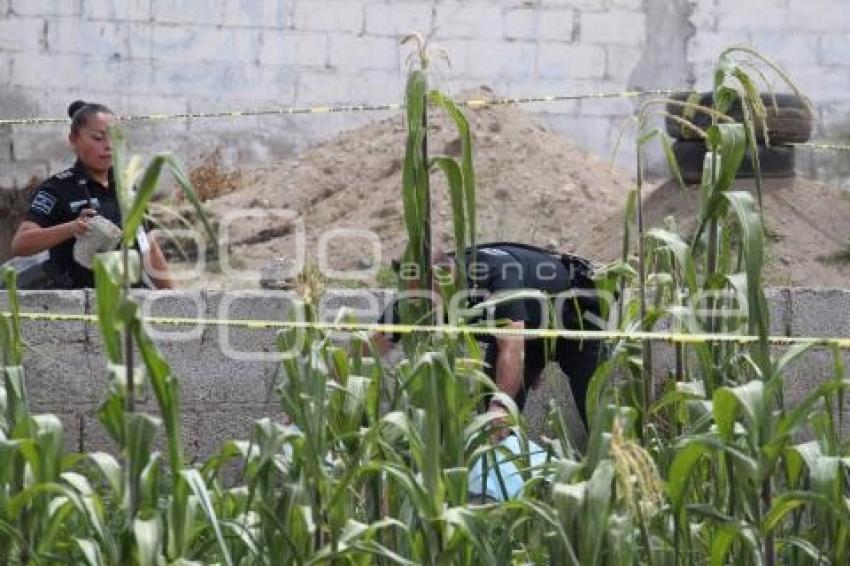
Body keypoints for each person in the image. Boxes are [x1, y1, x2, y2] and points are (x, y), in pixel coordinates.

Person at [371, 242, 605, 432]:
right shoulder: (417, 292)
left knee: (592, 402)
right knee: (489, 414)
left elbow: (512, 347)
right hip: (526, 329)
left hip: (574, 318)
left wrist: (501, 405)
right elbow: (370, 345)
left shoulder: (496, 274)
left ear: (443, 276)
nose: (418, 306)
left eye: (423, 299)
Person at [10, 100, 174, 289]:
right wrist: (72, 228)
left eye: (114, 138)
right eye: (98, 138)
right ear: (73, 139)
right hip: (80, 302)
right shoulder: (58, 189)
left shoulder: (128, 189)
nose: (108, 146)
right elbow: (21, 244)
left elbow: (148, 247)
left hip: (128, 300)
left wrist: (173, 297)